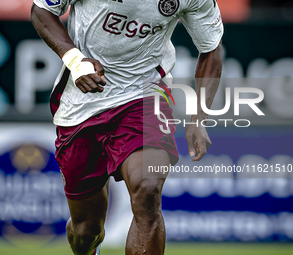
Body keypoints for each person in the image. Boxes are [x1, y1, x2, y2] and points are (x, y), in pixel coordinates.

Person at [31, 0, 223, 254]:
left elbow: (211, 49)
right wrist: (76, 61)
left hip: (145, 95)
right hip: (82, 103)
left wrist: (199, 117)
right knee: (86, 230)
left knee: (148, 190)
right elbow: (41, 10)